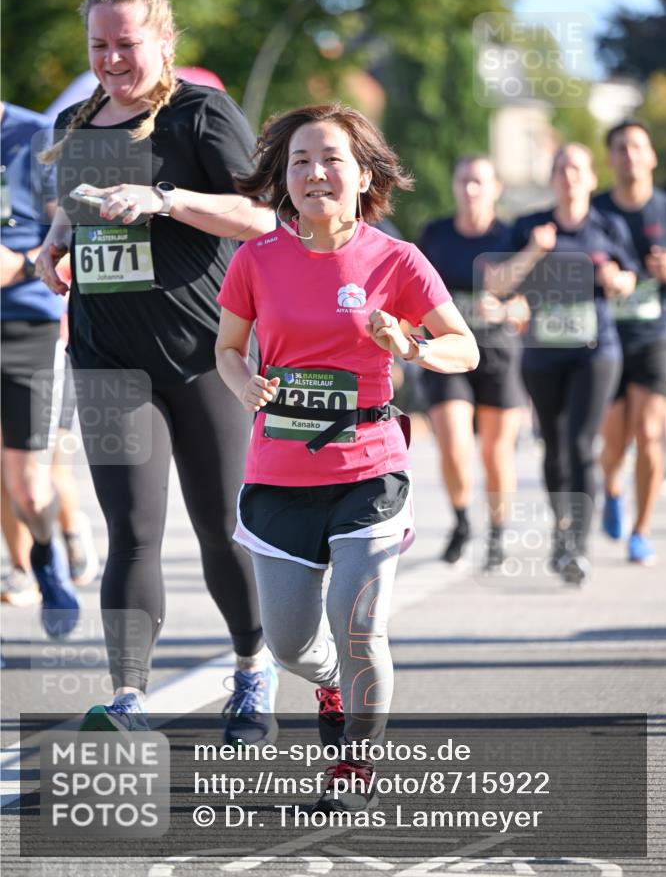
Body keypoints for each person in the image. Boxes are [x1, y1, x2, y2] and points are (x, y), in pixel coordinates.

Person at [215, 103, 479, 811]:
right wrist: (243, 384)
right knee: (289, 644)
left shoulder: (396, 259)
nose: (314, 173)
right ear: (283, 177)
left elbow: (464, 349)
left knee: (360, 624)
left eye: (331, 159)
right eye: (299, 160)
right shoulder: (255, 259)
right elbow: (227, 349)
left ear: (363, 176)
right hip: (278, 474)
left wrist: (410, 346)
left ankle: (354, 765)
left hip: (369, 468)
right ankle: (331, 683)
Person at [34, 0, 277, 740]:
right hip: (107, 359)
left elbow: (260, 215)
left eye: (126, 44)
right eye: (99, 45)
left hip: (202, 355)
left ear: (164, 43)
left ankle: (252, 671)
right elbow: (74, 212)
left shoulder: (200, 113)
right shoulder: (76, 124)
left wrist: (165, 200)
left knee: (221, 527)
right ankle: (128, 697)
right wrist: (53, 245)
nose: (111, 59)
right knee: (131, 531)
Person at [486, 143, 638, 585]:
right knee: (554, 447)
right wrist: (534, 251)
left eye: (577, 169)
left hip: (596, 349)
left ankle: (578, 545)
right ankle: (561, 528)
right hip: (542, 353)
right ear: (552, 179)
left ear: (591, 178)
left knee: (581, 444)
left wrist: (617, 280)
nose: (569, 177)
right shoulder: (530, 226)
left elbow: (630, 279)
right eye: (561, 169)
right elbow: (496, 284)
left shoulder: (607, 226)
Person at [419, 155, 525, 569]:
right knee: (454, 444)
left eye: (479, 182)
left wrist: (504, 310)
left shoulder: (511, 236)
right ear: (454, 186)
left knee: (496, 454)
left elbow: (530, 304)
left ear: (496, 189)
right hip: (447, 352)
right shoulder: (435, 235)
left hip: (497, 352)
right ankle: (462, 521)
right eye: (464, 180)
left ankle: (497, 532)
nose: (470, 190)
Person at [0, 100, 79, 633]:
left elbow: (74, 235)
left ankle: (47, 556)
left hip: (27, 326)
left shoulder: (38, 135)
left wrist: (22, 265)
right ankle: (19, 570)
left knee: (29, 484)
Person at [594, 120, 666, 565]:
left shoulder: (664, 209)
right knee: (615, 443)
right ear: (610, 159)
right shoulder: (596, 212)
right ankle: (612, 488)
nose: (630, 155)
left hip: (654, 336)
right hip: (605, 338)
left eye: (637, 146)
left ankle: (640, 531)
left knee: (651, 433)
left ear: (652, 156)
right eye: (621, 147)